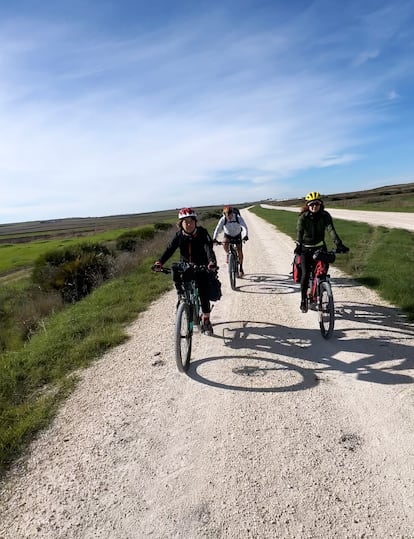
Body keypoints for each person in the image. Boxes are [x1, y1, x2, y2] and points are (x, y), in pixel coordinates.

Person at [153, 207, 217, 335]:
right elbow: (169, 250)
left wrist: (211, 263)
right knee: (181, 287)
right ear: (180, 224)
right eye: (185, 222)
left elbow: (208, 249)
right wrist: (160, 262)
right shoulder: (178, 236)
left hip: (201, 266)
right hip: (185, 267)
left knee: (203, 292)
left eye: (191, 221)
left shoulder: (202, 233)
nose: (189, 224)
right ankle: (184, 306)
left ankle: (206, 320)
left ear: (195, 222)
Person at [295, 191, 349, 313]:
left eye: (317, 204)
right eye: (312, 204)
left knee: (322, 273)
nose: (314, 206)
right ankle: (303, 300)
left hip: (320, 248)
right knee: (305, 274)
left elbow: (331, 231)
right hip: (305, 249)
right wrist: (298, 244)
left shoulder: (325, 216)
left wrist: (339, 244)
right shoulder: (303, 217)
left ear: (321, 204)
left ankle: (321, 289)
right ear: (307, 206)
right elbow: (299, 232)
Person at [213, 205, 248, 277]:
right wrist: (214, 238)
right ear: (224, 214)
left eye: (230, 214)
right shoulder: (223, 219)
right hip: (228, 235)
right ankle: (228, 254)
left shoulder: (238, 218)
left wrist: (245, 235)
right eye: (226, 215)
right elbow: (218, 229)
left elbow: (244, 227)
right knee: (224, 243)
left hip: (237, 234)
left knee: (240, 251)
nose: (228, 217)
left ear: (232, 213)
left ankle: (241, 268)